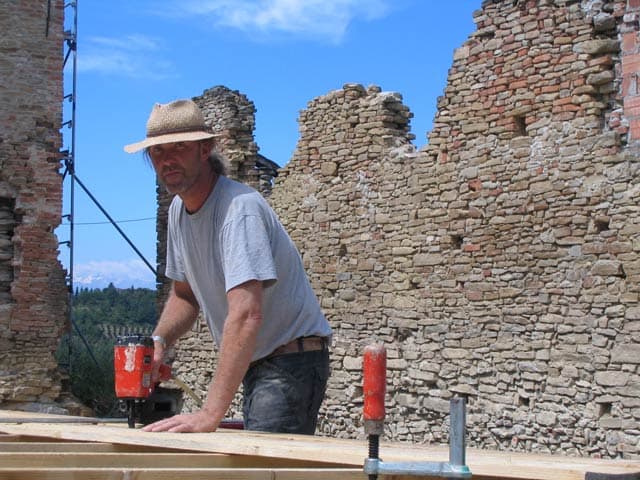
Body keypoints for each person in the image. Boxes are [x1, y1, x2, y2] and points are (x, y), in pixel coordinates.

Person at [124, 99, 332, 434]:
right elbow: (185, 294)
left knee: (261, 462)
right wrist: (159, 341)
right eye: (158, 152)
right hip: (260, 360)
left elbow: (246, 314)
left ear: (205, 150)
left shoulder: (239, 209)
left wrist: (209, 414)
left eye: (179, 147)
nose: (167, 160)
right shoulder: (178, 211)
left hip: (289, 361)